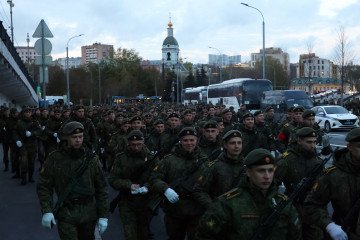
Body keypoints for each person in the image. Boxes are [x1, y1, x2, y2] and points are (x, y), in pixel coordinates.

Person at [196, 148, 302, 240]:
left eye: (270, 170)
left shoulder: (283, 203)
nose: (267, 176)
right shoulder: (228, 203)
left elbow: (295, 236)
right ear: (248, 172)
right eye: (261, 171)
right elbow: (205, 235)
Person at [37, 121, 109, 240]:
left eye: (80, 137)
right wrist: (47, 210)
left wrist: (103, 216)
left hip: (88, 212)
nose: (78, 140)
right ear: (65, 138)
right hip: (66, 212)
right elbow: (44, 185)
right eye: (74, 137)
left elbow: (101, 187)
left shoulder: (92, 159)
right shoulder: (54, 158)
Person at [150, 127, 207, 240]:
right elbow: (154, 179)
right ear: (180, 141)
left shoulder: (205, 160)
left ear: (197, 140)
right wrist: (166, 189)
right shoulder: (169, 160)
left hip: (197, 209)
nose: (189, 143)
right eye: (185, 140)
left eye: (192, 140)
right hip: (175, 210)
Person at [303, 128, 360, 240]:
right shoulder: (333, 175)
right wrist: (329, 226)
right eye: (359, 146)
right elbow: (311, 205)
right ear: (349, 147)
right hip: (346, 233)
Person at [108, 130, 157, 240]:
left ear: (143, 142)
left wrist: (148, 186)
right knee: (130, 234)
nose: (136, 147)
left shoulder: (151, 158)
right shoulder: (121, 158)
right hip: (127, 200)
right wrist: (128, 185)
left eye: (139, 144)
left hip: (146, 201)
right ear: (128, 144)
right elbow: (112, 179)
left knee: (144, 233)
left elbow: (158, 178)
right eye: (133, 145)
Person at [193, 130, 244, 210]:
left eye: (239, 143)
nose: (236, 146)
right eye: (232, 143)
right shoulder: (214, 166)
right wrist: (214, 207)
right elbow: (199, 190)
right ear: (225, 145)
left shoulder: (246, 166)